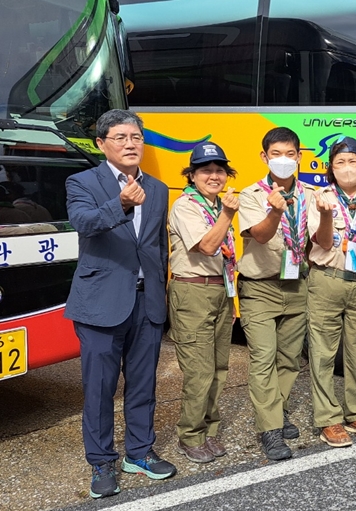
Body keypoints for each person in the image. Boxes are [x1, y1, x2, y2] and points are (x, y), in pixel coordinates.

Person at [64, 109, 175, 499]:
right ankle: (101, 462)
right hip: (101, 303)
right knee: (99, 389)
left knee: (144, 384)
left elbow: (157, 246)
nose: (131, 144)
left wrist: (162, 295)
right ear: (101, 144)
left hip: (147, 304)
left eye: (137, 138)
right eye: (121, 138)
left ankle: (140, 452)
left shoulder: (159, 188)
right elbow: (84, 222)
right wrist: (122, 204)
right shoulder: (82, 181)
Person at [237, 127, 313, 461]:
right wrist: (277, 210)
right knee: (263, 358)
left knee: (289, 358)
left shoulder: (310, 194)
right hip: (259, 288)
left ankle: (277, 411)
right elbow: (261, 235)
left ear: (299, 156)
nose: (284, 160)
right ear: (264, 157)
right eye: (276, 154)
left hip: (298, 285)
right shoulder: (252, 194)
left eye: (290, 154)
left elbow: (318, 242)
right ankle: (269, 429)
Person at [307, 136, 356, 448]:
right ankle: (328, 418)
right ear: (331, 169)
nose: (347, 167)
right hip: (328, 278)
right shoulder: (320, 198)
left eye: (353, 161)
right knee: (323, 352)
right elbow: (323, 243)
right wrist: (326, 214)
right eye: (340, 162)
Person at [167, 142, 239, 464]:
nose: (214, 175)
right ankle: (190, 436)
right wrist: (227, 214)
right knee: (199, 370)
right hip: (192, 292)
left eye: (219, 170)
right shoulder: (185, 206)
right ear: (192, 175)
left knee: (220, 367)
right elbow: (208, 246)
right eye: (206, 170)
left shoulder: (217, 205)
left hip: (221, 291)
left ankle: (210, 430)